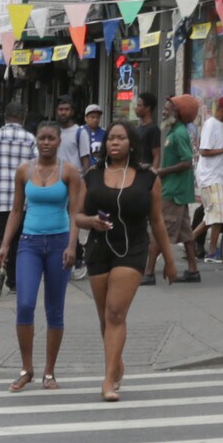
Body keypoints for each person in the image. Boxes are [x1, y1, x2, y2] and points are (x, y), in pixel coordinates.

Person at [0, 119, 95, 391]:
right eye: (42, 138)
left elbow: (76, 212)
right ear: (35, 141)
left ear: (59, 141)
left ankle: (49, 372)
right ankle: (26, 368)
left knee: (54, 309)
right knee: (25, 304)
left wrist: (73, 246)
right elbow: (16, 211)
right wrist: (4, 245)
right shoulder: (24, 171)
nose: (46, 142)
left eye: (51, 138)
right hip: (29, 243)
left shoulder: (69, 172)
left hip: (59, 242)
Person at [83, 120, 175, 401]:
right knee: (104, 318)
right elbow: (76, 215)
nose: (114, 143)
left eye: (120, 138)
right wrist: (88, 223)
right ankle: (117, 363)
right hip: (99, 249)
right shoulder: (92, 176)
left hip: (133, 249)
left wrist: (169, 261)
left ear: (131, 143)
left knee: (115, 313)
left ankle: (108, 380)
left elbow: (157, 221)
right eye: (110, 138)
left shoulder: (148, 178)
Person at [0, 102, 39, 294]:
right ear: (23, 117)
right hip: (23, 200)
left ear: (5, 116)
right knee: (18, 240)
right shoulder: (30, 138)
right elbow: (37, 167)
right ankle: (14, 282)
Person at [154, 94, 203, 283]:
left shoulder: (180, 133)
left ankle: (148, 271)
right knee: (186, 233)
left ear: (178, 112)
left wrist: (163, 171)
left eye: (168, 108)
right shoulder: (174, 131)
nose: (164, 111)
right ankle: (193, 270)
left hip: (174, 191)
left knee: (160, 232)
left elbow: (187, 162)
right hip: (177, 190)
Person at [195, 95, 223, 263]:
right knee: (217, 216)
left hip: (215, 177)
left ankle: (190, 241)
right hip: (210, 178)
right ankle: (212, 251)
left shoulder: (220, 125)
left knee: (212, 216)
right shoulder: (211, 124)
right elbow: (204, 151)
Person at [134, 92, 163, 171]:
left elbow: (156, 155)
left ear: (147, 108)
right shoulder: (139, 128)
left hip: (146, 171)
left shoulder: (153, 129)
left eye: (139, 105)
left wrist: (153, 173)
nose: (136, 108)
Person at [77, 104, 106, 171]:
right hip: (81, 170)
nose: (95, 120)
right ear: (86, 118)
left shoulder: (104, 132)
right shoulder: (79, 131)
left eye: (98, 117)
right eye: (92, 117)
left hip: (100, 169)